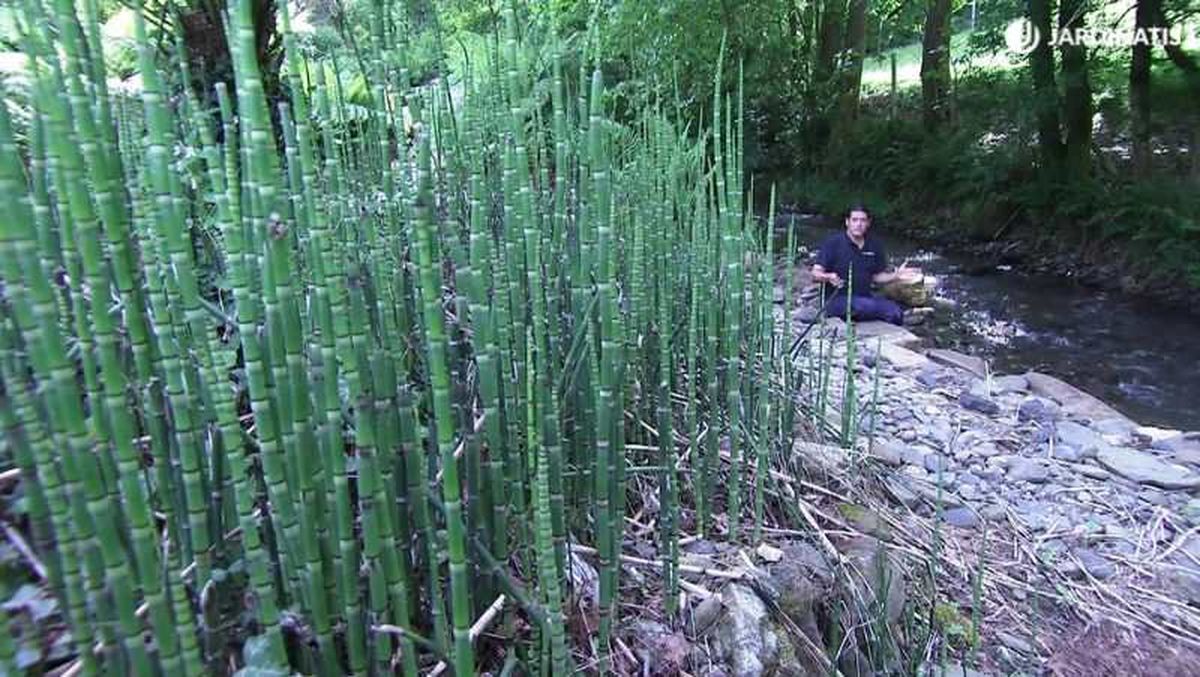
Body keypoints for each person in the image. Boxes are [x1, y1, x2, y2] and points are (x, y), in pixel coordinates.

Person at [810, 204, 921, 325]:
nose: (859, 224)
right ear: (847, 222)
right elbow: (815, 274)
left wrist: (897, 275)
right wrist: (829, 277)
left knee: (895, 313)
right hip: (836, 300)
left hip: (864, 298)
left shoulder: (874, 245)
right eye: (855, 220)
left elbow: (876, 276)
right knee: (863, 306)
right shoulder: (833, 243)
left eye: (863, 220)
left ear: (868, 223)